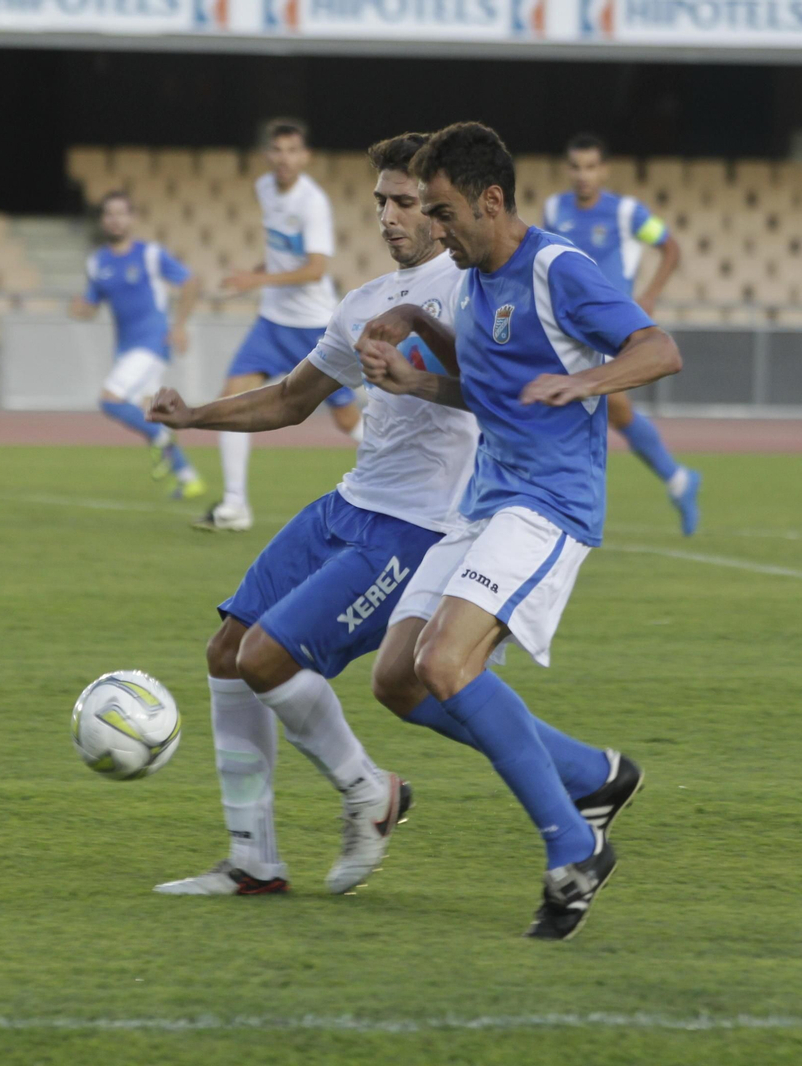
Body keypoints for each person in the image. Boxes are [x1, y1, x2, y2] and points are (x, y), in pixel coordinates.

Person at [358, 122, 682, 940]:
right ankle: (590, 775)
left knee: (445, 659)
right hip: (486, 502)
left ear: (489, 200)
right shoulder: (475, 283)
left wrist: (586, 383)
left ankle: (574, 851)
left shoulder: (555, 269)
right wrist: (416, 382)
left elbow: (660, 347)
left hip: (549, 505)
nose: (434, 228)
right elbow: (488, 394)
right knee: (397, 679)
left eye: (441, 211)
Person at [140, 133, 478, 896]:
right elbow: (292, 400)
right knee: (227, 651)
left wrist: (424, 356)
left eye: (405, 202)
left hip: (415, 529)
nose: (389, 217)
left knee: (268, 657)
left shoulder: (469, 292)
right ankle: (253, 860)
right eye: (381, 202)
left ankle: (370, 792)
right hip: (348, 506)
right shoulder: (360, 303)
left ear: (440, 206)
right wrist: (194, 415)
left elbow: (491, 388)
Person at [195, 119, 361, 532]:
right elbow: (281, 252)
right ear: (268, 155)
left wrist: (258, 280)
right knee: (232, 396)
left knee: (346, 422)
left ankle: (414, 475)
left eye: (292, 151)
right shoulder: (265, 189)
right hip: (272, 321)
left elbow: (315, 269)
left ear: (305, 157)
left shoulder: (313, 203)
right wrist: (256, 273)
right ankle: (235, 506)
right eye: (277, 150)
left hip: (313, 325)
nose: (284, 158)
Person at [544, 133, 700, 536]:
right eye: (576, 167)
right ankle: (678, 479)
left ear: (604, 170)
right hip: (563, 329)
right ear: (567, 169)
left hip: (609, 328)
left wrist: (648, 294)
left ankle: (560, 508)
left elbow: (671, 247)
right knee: (614, 409)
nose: (583, 175)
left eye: (591, 167)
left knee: (592, 401)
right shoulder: (554, 209)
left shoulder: (627, 213)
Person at [69, 191, 204, 499]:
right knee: (150, 412)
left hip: (152, 342)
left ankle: (162, 441)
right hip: (126, 348)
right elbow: (89, 307)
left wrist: (179, 325)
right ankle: (187, 477)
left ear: (132, 218)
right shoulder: (97, 262)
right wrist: (78, 309)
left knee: (110, 400)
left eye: (121, 213)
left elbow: (191, 282)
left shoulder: (150, 254)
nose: (115, 219)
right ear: (103, 220)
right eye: (109, 214)